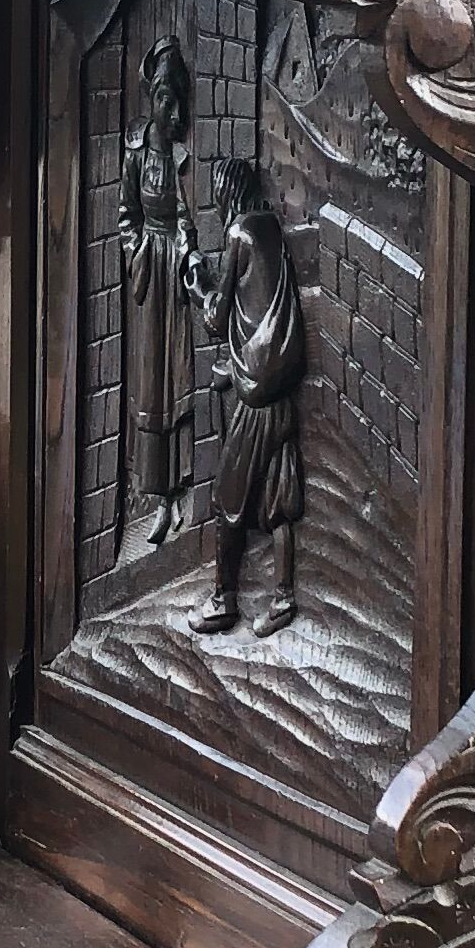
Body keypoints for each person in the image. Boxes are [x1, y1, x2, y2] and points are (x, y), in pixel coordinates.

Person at [188, 157, 305, 635]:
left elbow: (217, 316)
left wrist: (198, 287)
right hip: (277, 382)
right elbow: (257, 303)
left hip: (255, 392)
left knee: (228, 497)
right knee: (279, 494)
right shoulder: (271, 228)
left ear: (227, 193)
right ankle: (282, 597)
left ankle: (224, 599)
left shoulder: (238, 232)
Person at [119, 37, 198, 551]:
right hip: (150, 270)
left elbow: (188, 213)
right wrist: (139, 251)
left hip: (176, 272)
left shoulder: (183, 157)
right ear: (150, 97)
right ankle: (156, 497)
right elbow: (126, 214)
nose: (170, 108)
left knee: (178, 376)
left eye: (176, 99)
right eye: (162, 97)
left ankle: (183, 490)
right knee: (151, 383)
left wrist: (188, 250)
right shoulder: (134, 152)